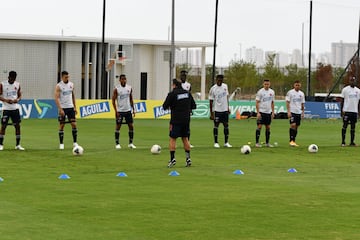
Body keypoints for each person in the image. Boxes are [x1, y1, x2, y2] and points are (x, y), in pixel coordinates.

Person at [163, 79, 196, 168]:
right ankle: (188, 159)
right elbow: (194, 106)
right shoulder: (187, 93)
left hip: (176, 120)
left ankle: (172, 159)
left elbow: (164, 106)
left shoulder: (172, 94)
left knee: (173, 138)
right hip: (186, 120)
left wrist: (173, 106)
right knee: (185, 138)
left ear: (174, 85)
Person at [0, 71, 25, 150]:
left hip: (15, 108)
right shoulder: (2, 84)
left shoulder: (17, 84)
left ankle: (18, 145)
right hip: (6, 109)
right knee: (3, 126)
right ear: (9, 77)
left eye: (14, 79)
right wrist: (6, 100)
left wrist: (17, 100)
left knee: (17, 126)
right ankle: (1, 144)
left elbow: (20, 95)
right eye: (11, 78)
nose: (13, 80)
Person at [54, 71, 79, 150]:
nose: (67, 78)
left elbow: (73, 96)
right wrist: (60, 109)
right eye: (65, 77)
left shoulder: (71, 85)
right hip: (63, 108)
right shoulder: (59, 86)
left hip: (70, 107)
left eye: (68, 77)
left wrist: (75, 107)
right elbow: (56, 98)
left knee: (74, 124)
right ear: (62, 77)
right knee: (62, 125)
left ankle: (75, 142)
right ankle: (61, 143)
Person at [111, 74, 136, 149]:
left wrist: (133, 109)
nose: (124, 80)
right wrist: (116, 111)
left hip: (128, 110)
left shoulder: (129, 88)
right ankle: (117, 143)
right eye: (122, 79)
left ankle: (130, 143)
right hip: (120, 111)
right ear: (120, 80)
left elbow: (131, 98)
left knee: (131, 126)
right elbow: (113, 100)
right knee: (118, 126)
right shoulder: (117, 89)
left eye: (125, 79)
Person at [209, 74, 232, 148]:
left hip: (225, 110)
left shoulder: (225, 86)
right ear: (216, 80)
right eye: (218, 80)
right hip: (217, 110)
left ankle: (226, 142)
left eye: (221, 80)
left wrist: (228, 107)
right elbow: (211, 101)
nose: (220, 81)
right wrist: (211, 113)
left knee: (226, 125)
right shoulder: (213, 88)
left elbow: (227, 97)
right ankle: (216, 142)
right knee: (216, 126)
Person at [340, 76, 360, 146]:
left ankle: (352, 142)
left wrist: (358, 112)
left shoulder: (358, 90)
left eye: (354, 81)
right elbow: (342, 101)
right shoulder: (345, 90)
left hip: (354, 111)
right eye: (351, 81)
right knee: (345, 126)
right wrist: (341, 110)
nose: (352, 82)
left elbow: (359, 102)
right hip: (347, 111)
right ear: (349, 81)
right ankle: (343, 142)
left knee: (353, 127)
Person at [255, 79, 275, 147]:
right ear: (263, 84)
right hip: (261, 112)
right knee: (259, 126)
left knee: (268, 127)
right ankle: (257, 143)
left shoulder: (272, 92)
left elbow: (272, 102)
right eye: (265, 84)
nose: (266, 85)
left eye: (268, 84)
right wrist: (258, 112)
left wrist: (272, 112)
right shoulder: (260, 92)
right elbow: (257, 102)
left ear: (270, 84)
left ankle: (267, 143)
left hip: (268, 112)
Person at [286, 80, 305, 147]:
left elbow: (302, 104)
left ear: (300, 85)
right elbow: (287, 102)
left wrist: (303, 112)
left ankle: (294, 140)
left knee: (296, 126)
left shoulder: (302, 94)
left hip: (298, 112)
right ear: (294, 85)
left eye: (298, 85)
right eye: (296, 85)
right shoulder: (290, 93)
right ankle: (291, 140)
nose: (297, 86)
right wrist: (288, 111)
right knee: (293, 125)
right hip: (292, 111)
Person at [179, 70, 193, 148]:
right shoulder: (178, 84)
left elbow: (190, 97)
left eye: (184, 75)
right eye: (182, 75)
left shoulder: (188, 85)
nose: (183, 77)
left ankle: (188, 142)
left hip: (186, 109)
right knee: (177, 126)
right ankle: (173, 141)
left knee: (187, 127)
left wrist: (190, 108)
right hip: (179, 109)